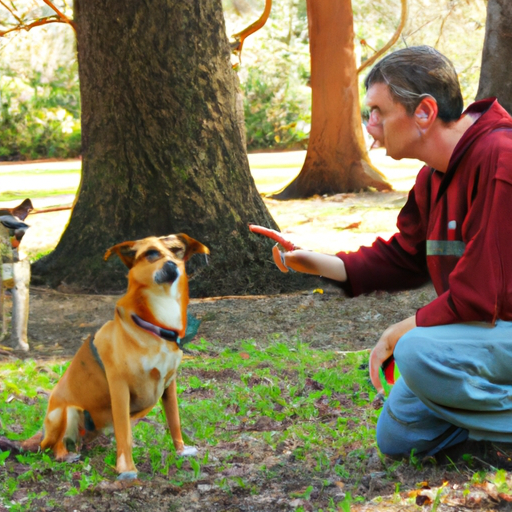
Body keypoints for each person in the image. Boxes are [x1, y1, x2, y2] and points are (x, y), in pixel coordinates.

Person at [262, 45, 512, 459]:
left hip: (498, 327)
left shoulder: (500, 158)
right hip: (488, 338)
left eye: (378, 110)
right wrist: (314, 260)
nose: (370, 123)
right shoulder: (431, 179)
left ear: (425, 112)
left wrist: (403, 329)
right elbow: (402, 257)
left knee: (416, 349)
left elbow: (483, 295)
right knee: (399, 439)